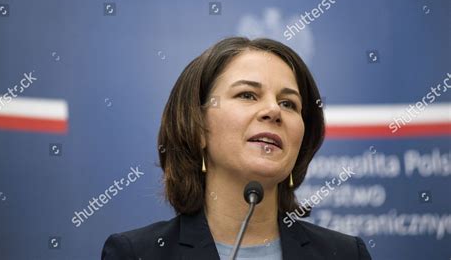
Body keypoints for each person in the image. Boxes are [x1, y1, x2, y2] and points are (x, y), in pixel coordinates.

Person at [101, 37, 372, 259]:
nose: (273, 111)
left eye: (289, 103)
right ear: (197, 128)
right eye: (247, 95)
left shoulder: (346, 255)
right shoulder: (135, 254)